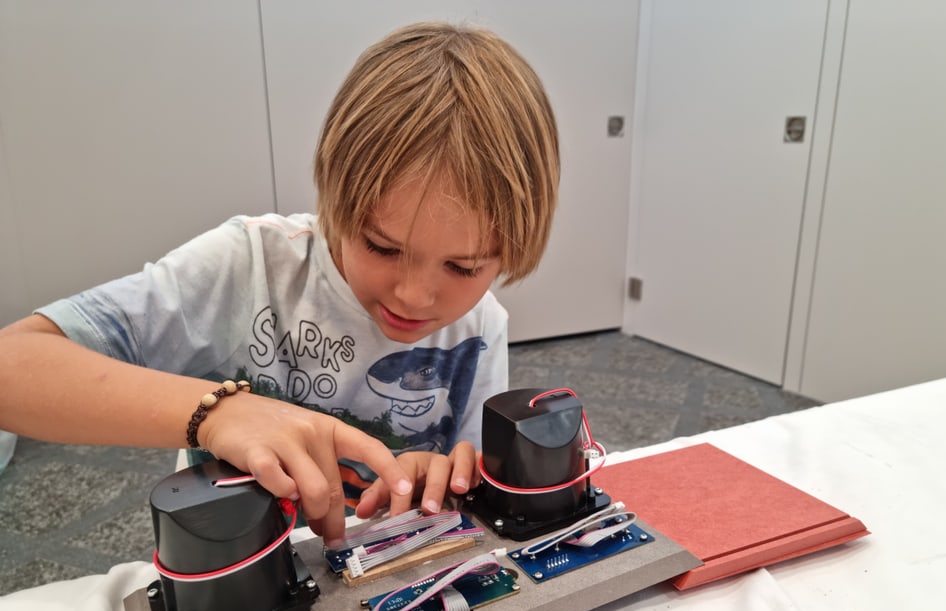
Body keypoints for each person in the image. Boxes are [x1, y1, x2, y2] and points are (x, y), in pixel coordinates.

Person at [0, 22, 560, 547]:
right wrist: (216, 413)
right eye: (382, 247)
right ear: (334, 197)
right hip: (238, 569)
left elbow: (478, 490)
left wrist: (433, 484)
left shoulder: (481, 326)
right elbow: (14, 364)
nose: (414, 295)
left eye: (464, 268)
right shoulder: (248, 265)